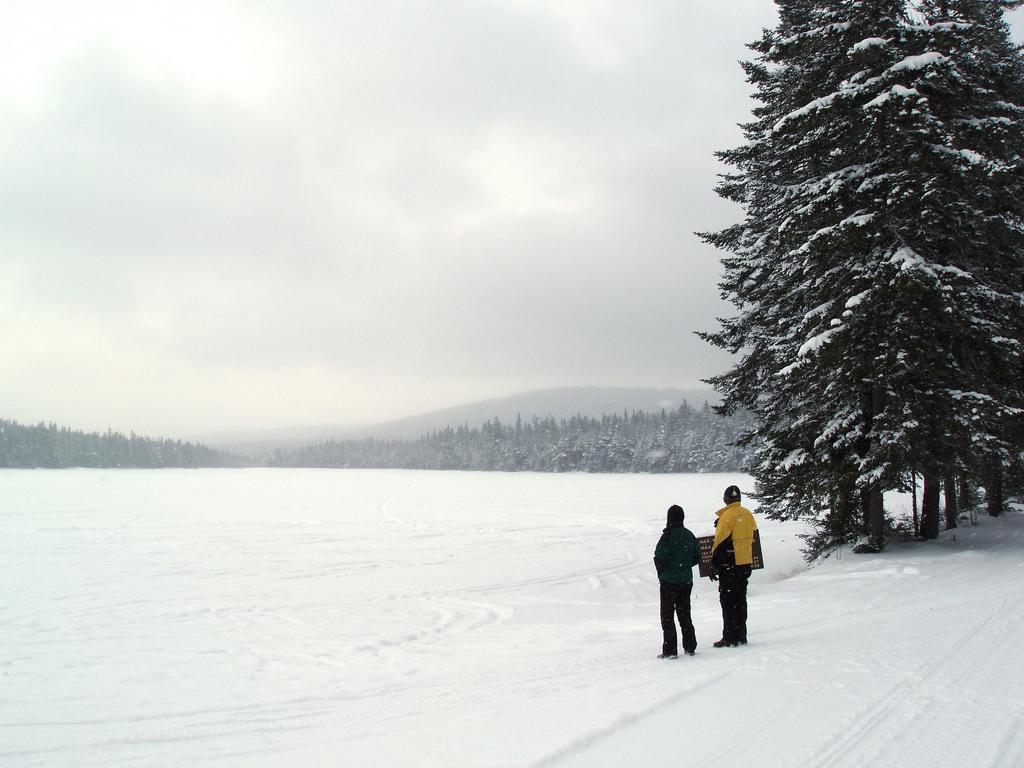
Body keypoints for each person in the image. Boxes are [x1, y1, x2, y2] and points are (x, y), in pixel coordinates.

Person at [710, 485, 757, 648]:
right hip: (744, 563)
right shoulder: (748, 514)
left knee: (728, 601)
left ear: (725, 500)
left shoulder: (727, 516)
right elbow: (754, 534)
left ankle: (729, 636)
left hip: (729, 565)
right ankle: (741, 634)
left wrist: (714, 564)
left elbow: (719, 543)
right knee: (740, 600)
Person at [653, 504, 700, 658]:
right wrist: (684, 566)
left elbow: (659, 556)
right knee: (685, 614)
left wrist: (663, 572)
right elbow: (696, 557)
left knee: (667, 616)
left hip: (669, 581)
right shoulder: (689, 535)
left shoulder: (667, 535)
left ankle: (670, 650)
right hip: (686, 580)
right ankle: (690, 646)